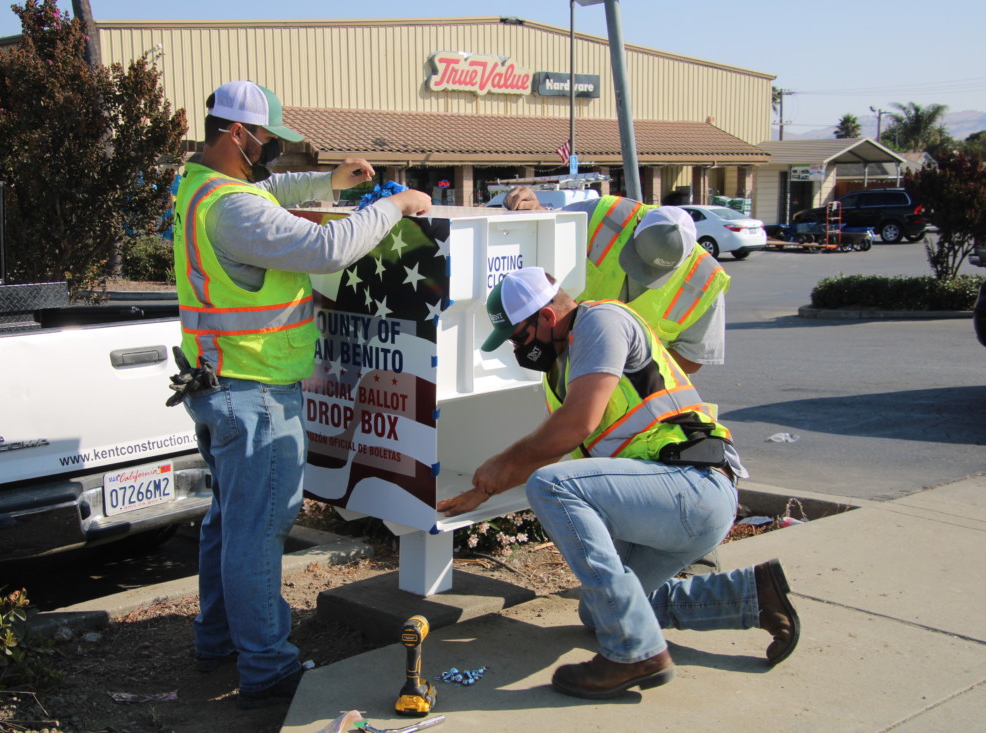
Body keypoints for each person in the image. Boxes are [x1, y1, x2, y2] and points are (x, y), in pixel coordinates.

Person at [169, 80, 431, 709]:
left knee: (228, 523)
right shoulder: (231, 208)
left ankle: (218, 639)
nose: (274, 152)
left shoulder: (197, 185)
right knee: (257, 531)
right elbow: (326, 247)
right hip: (254, 392)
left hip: (219, 385)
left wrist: (331, 183)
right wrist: (396, 207)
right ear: (238, 134)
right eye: (269, 140)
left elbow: (270, 193)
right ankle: (267, 669)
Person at [437, 267, 799, 699]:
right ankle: (752, 596)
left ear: (547, 319)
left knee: (552, 486)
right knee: (600, 611)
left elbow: (575, 426)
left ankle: (633, 651)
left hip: (693, 486)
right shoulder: (567, 361)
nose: (519, 349)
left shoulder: (601, 322)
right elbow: (560, 444)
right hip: (664, 505)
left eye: (518, 338)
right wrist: (485, 488)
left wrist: (501, 466)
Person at [503, 186, 728, 375]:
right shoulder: (605, 216)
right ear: (636, 225)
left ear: (688, 255)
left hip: (630, 392)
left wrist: (621, 366)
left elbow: (692, 357)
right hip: (562, 361)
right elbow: (555, 227)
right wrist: (537, 209)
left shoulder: (706, 282)